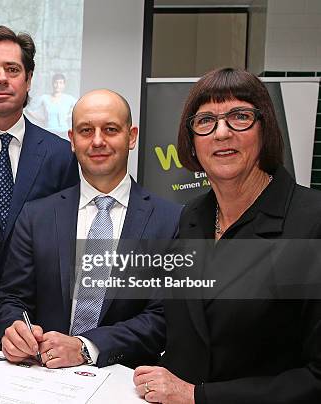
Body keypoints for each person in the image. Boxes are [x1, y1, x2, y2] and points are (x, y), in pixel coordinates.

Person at [133, 68, 321, 403]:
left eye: (240, 117)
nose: (222, 133)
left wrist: (198, 396)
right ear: (191, 140)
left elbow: (316, 377)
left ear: (266, 129)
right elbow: (183, 329)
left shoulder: (312, 222)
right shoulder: (192, 216)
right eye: (206, 121)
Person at [0, 89, 181, 369]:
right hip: (40, 377)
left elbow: (162, 317)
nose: (97, 141)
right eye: (85, 130)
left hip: (124, 382)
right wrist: (15, 331)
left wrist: (86, 347)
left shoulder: (171, 220)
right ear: (72, 140)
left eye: (110, 129)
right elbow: (12, 299)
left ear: (131, 136)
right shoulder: (36, 216)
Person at [0, 26, 79, 313]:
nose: (1, 78)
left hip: (37, 321)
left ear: (29, 80)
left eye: (12, 69)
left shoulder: (60, 155)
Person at [27, 73, 77, 139]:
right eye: (56, 83)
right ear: (52, 84)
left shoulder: (69, 99)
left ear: (64, 85)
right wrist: (41, 119)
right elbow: (29, 110)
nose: (58, 85)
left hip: (64, 133)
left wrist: (70, 116)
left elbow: (81, 107)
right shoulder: (44, 98)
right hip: (49, 131)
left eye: (60, 83)